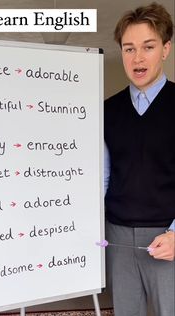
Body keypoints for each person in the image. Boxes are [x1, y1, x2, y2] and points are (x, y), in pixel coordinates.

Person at [104, 2, 175, 316]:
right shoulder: (107, 110)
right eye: (128, 48)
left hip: (168, 237)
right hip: (118, 238)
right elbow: (104, 178)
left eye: (148, 46)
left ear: (165, 49)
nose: (138, 58)